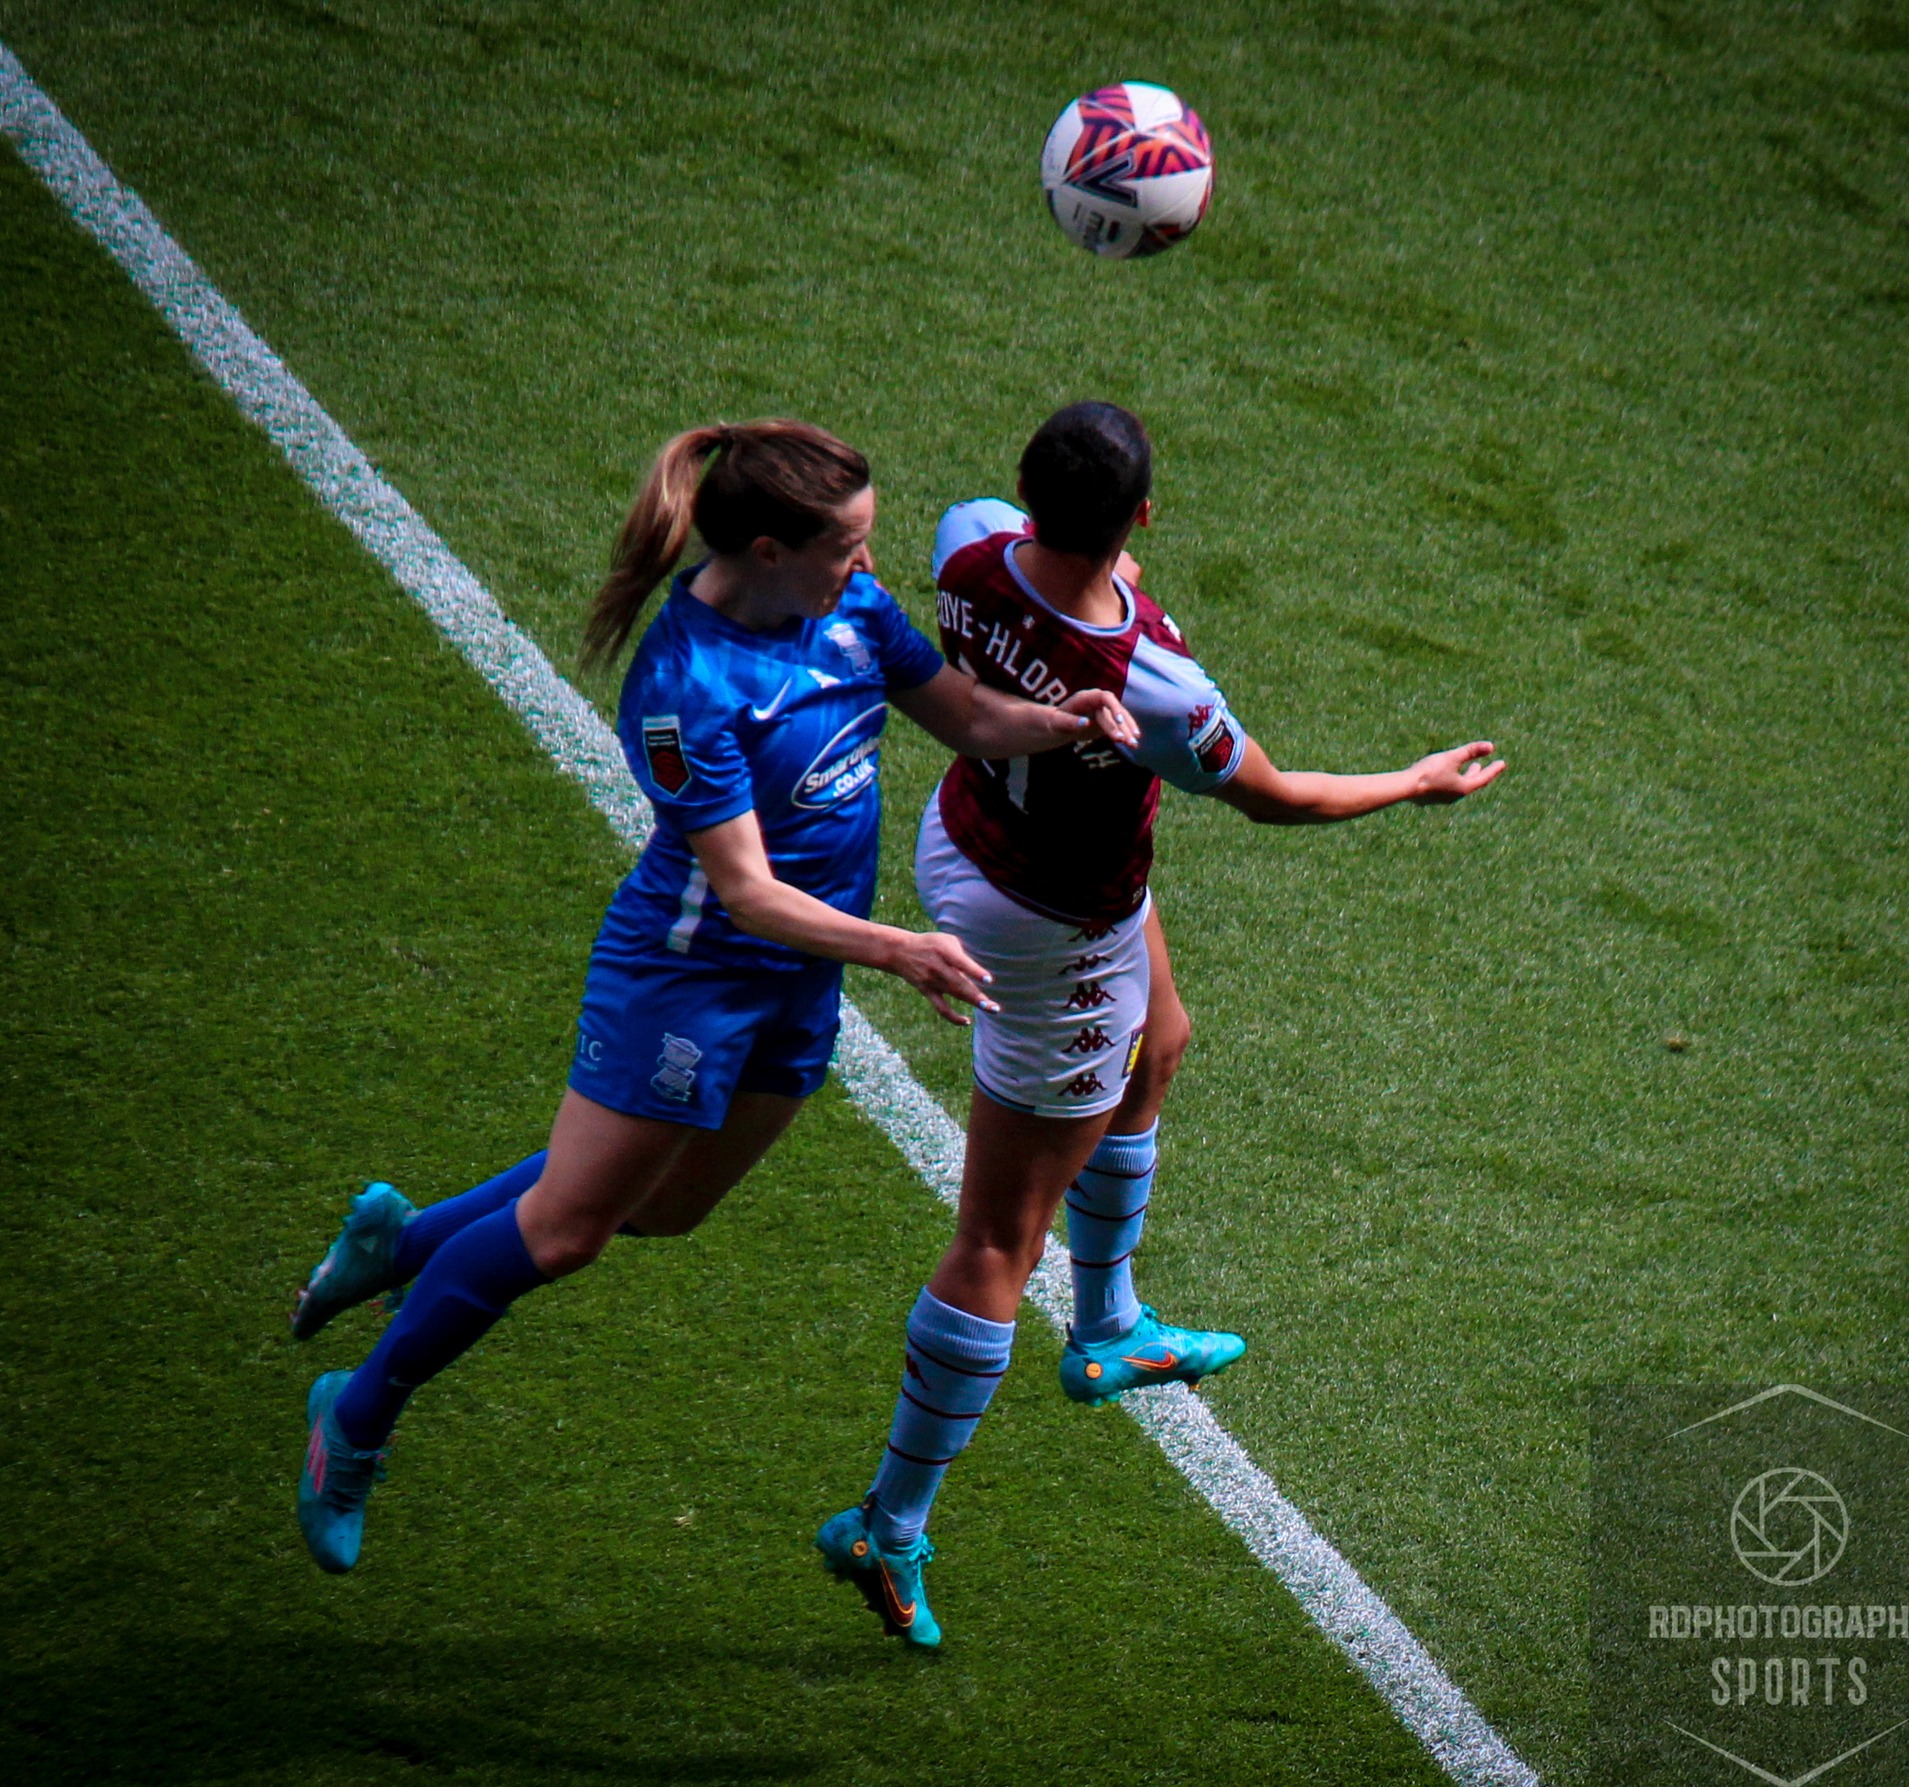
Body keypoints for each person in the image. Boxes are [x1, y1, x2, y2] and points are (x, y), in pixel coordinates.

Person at [291, 418, 1138, 1574]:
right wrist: (899, 949)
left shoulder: (846, 610)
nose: (866, 566)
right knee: (570, 1227)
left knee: (663, 1206)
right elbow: (741, 891)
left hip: (799, 980)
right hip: (688, 981)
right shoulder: (684, 683)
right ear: (764, 546)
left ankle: (405, 1240)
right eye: (846, 546)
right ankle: (356, 1413)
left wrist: (1064, 718)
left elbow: (964, 712)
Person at [815, 401, 1505, 1646]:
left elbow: (1050, 601)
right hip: (1051, 922)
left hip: (978, 837)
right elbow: (1278, 797)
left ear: (1027, 493)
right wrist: (1412, 780)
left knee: (1163, 1041)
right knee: (993, 1239)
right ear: (1141, 513)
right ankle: (889, 1518)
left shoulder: (967, 539)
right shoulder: (1158, 689)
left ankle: (1111, 1324)